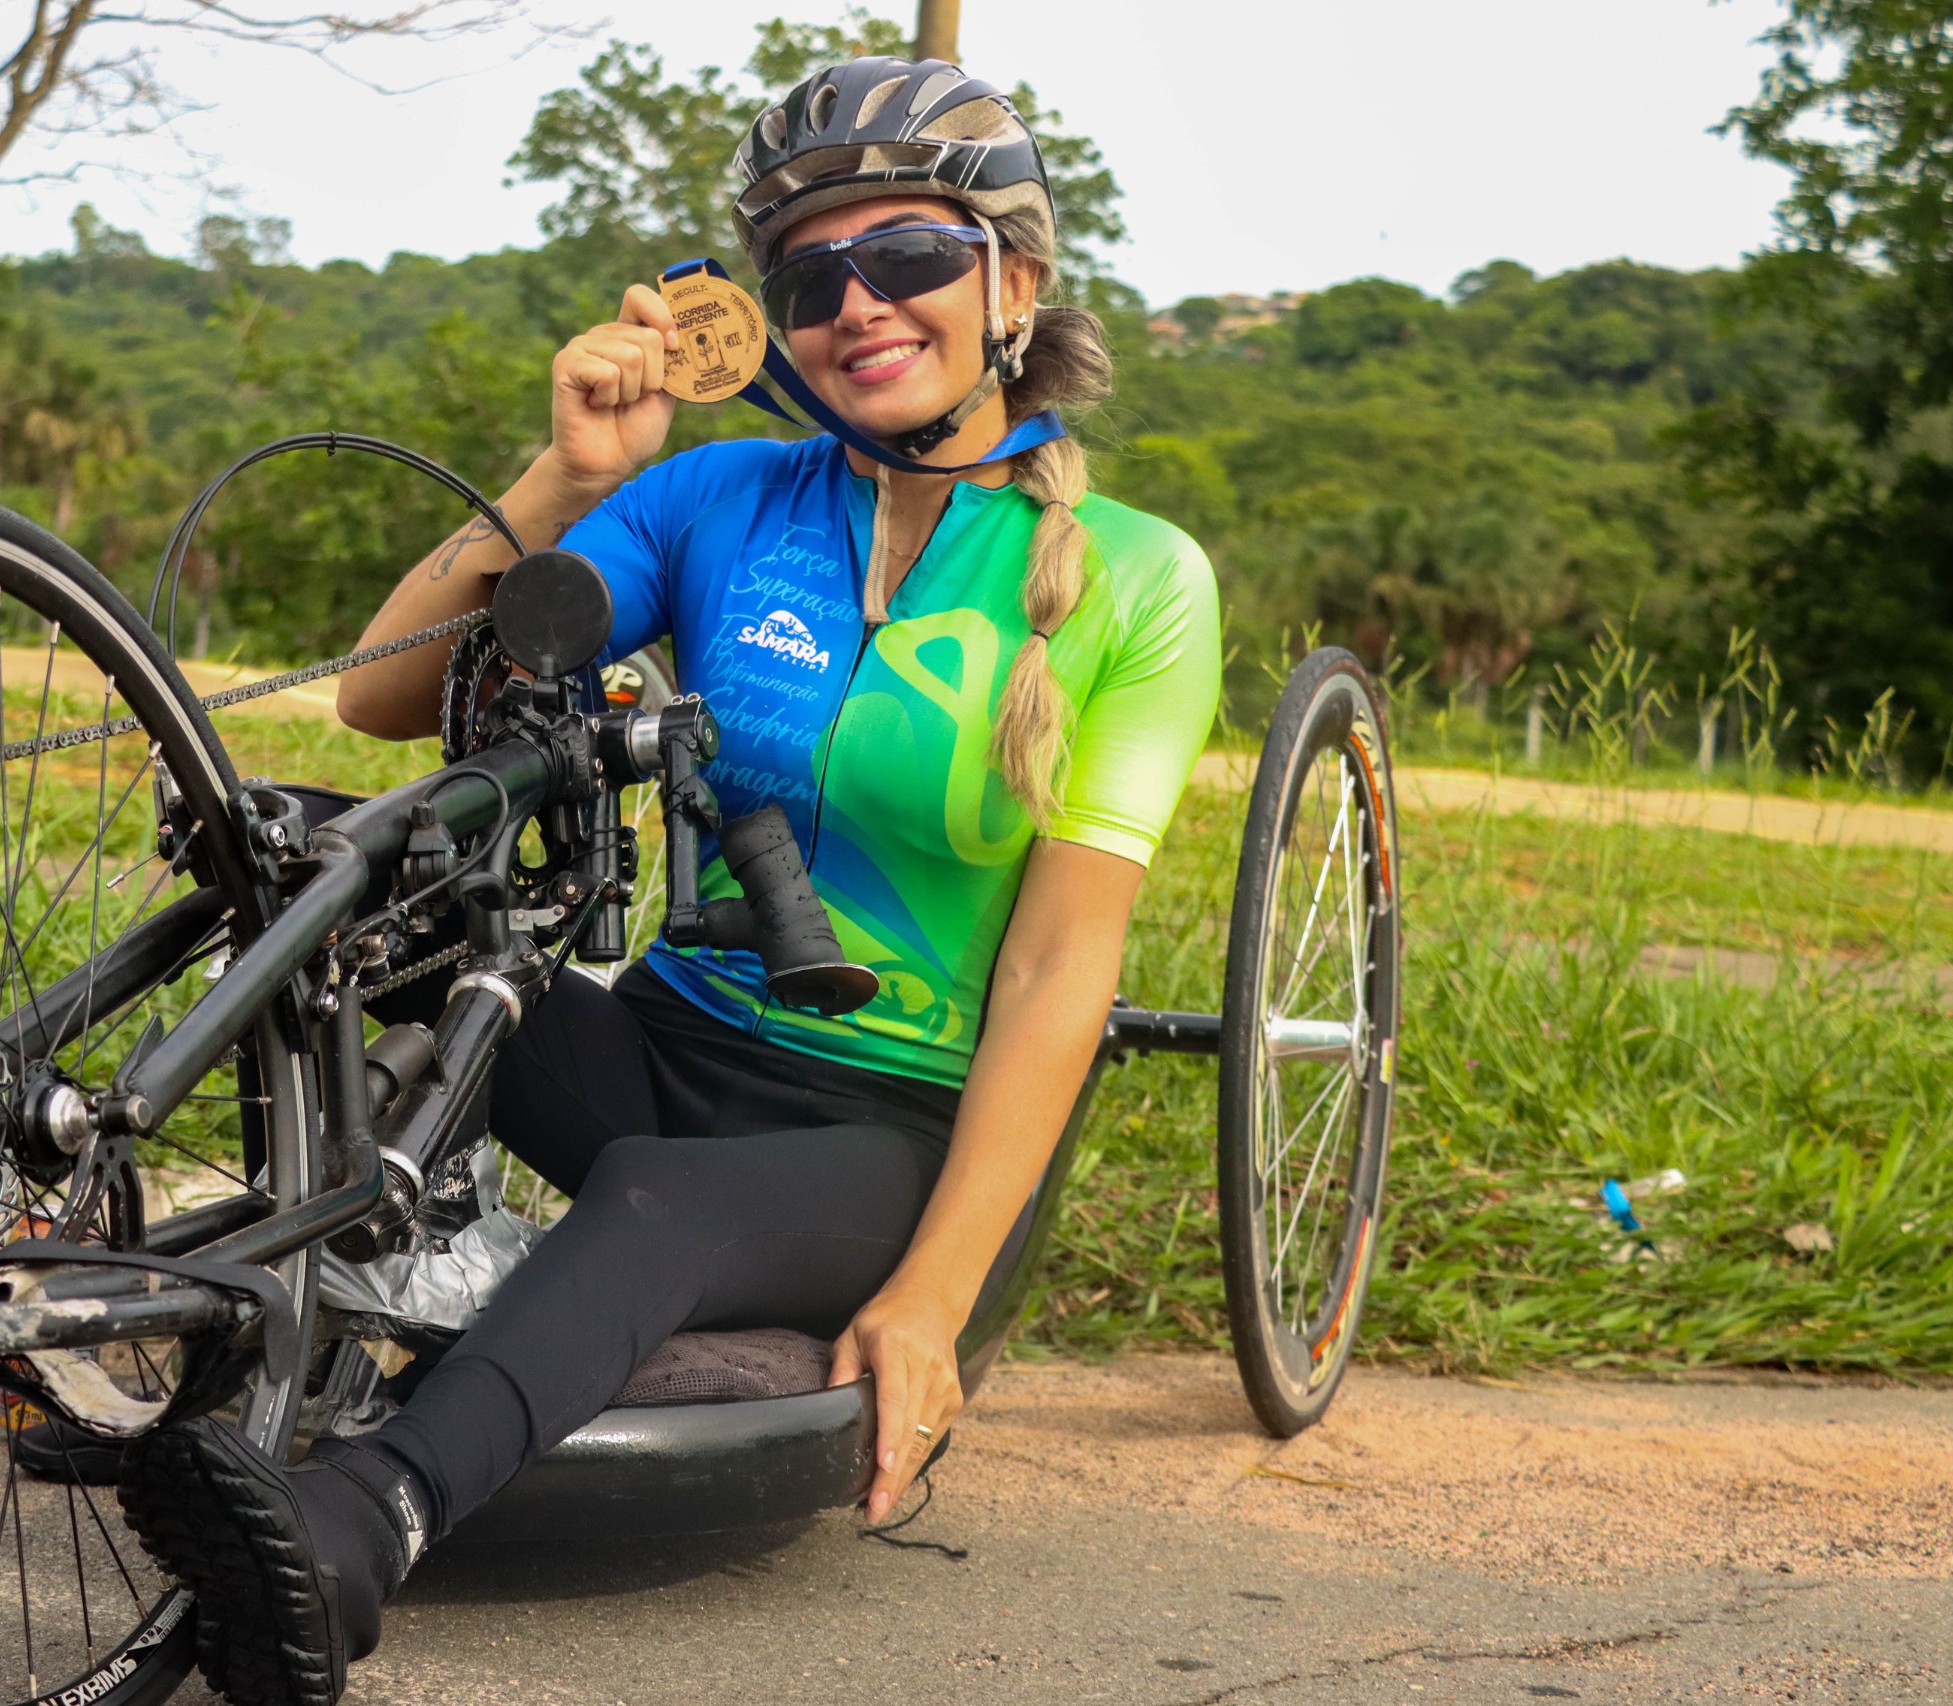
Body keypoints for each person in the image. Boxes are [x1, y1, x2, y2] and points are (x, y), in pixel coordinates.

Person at [117, 55, 1222, 1706]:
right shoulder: (717, 494)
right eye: (810, 276)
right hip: (665, 1046)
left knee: (656, 1200)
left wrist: (930, 1296)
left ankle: (364, 1521)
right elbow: (386, 691)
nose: (858, 304)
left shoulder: (1139, 577)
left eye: (907, 256)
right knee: (340, 864)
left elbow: (1063, 973)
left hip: (882, 1126)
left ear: (1017, 275)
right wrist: (570, 473)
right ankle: (197, 1233)